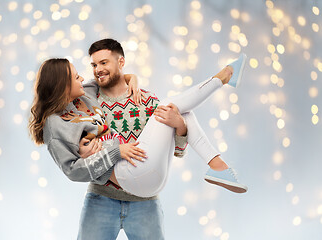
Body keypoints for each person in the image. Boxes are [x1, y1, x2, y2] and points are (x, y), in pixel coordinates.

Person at [29, 40, 247, 239]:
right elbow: (73, 169)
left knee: (179, 112)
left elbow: (177, 152)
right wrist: (114, 151)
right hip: (103, 197)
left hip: (145, 196)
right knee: (176, 106)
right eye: (93, 65)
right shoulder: (87, 98)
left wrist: (180, 126)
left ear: (121, 62)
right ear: (63, 84)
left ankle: (223, 83)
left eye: (103, 63)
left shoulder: (144, 100)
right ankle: (218, 159)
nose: (94, 72)